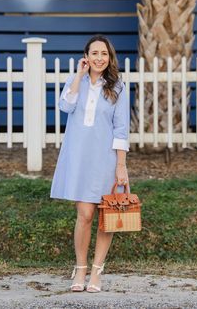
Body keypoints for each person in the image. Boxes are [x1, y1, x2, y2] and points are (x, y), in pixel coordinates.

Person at [50, 34, 137, 293]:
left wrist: (121, 166)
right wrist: (79, 76)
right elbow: (65, 106)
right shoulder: (74, 81)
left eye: (104, 54)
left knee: (105, 216)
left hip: (106, 159)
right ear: (86, 56)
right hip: (79, 157)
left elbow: (121, 130)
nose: (99, 58)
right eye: (94, 53)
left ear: (109, 58)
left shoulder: (118, 87)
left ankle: (97, 272)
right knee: (85, 214)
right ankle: (80, 269)